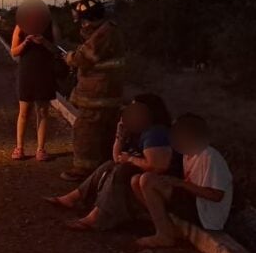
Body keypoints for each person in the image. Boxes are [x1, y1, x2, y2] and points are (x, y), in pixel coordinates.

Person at [44, 93, 178, 230]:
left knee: (121, 171)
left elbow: (158, 166)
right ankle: (75, 197)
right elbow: (116, 158)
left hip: (156, 182)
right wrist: (120, 136)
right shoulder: (137, 130)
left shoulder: (155, 133)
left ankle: (97, 216)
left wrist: (130, 159)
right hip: (139, 176)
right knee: (110, 165)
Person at [133, 113, 233, 248]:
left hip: (206, 213)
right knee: (136, 180)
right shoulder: (187, 154)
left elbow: (216, 195)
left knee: (147, 180)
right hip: (193, 202)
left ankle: (164, 235)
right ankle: (167, 228)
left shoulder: (209, 156)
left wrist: (180, 183)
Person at [60, 0, 125, 182]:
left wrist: (69, 58)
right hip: (105, 93)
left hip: (97, 94)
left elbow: (84, 58)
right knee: (103, 133)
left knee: (86, 131)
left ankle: (83, 169)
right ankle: (102, 168)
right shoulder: (108, 30)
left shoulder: (104, 33)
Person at [10, 0, 58, 161]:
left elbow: (56, 50)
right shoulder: (20, 27)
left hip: (44, 73)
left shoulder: (51, 26)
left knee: (43, 112)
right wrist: (26, 42)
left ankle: (41, 149)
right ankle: (19, 148)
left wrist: (44, 41)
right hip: (26, 72)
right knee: (24, 112)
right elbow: (14, 52)